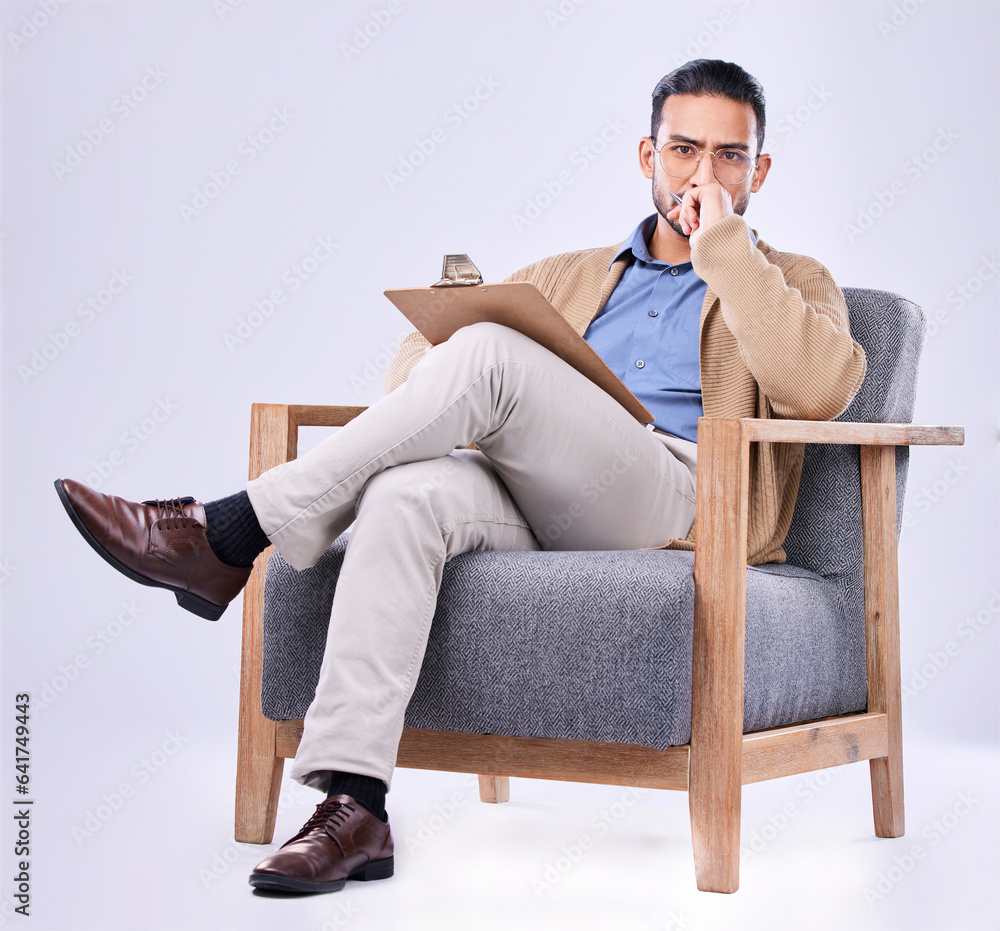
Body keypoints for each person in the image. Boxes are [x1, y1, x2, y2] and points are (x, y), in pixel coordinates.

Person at [55, 59, 866, 895]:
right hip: (543, 494)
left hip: (685, 501)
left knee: (484, 358)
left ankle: (225, 530)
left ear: (759, 171)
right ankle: (354, 804)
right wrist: (460, 348)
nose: (704, 173)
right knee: (405, 495)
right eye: (684, 149)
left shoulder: (792, 281)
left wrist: (724, 249)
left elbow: (824, 387)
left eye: (730, 157)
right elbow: (418, 365)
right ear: (645, 155)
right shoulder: (571, 273)